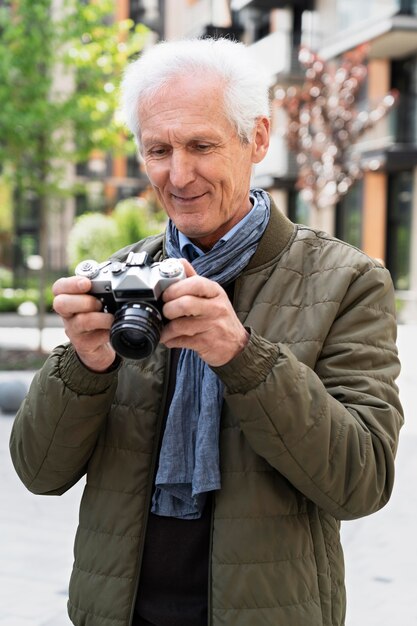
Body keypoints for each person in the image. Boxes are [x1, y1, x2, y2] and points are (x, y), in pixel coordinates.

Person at [10, 37, 403, 626]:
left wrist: (241, 356)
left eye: (201, 145)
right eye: (158, 149)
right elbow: (38, 473)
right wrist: (84, 364)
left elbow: (362, 480)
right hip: (117, 610)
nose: (178, 173)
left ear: (259, 139)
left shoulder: (350, 280)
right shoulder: (124, 280)